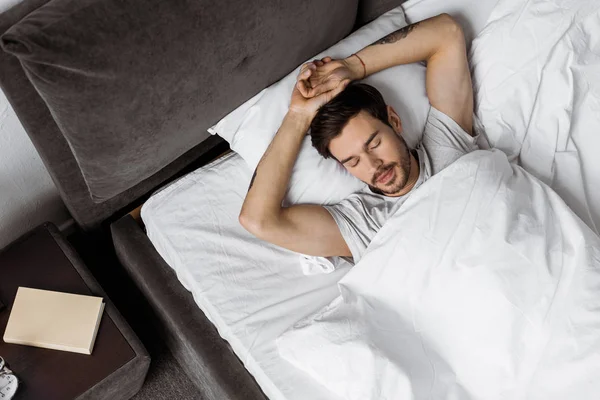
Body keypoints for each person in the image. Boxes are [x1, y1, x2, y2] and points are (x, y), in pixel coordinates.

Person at [239, 13, 481, 264]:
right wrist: (299, 116)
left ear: (395, 121)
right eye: (353, 162)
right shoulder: (363, 224)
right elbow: (258, 220)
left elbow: (446, 32)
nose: (373, 165)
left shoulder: (445, 145)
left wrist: (353, 67)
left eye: (374, 143)